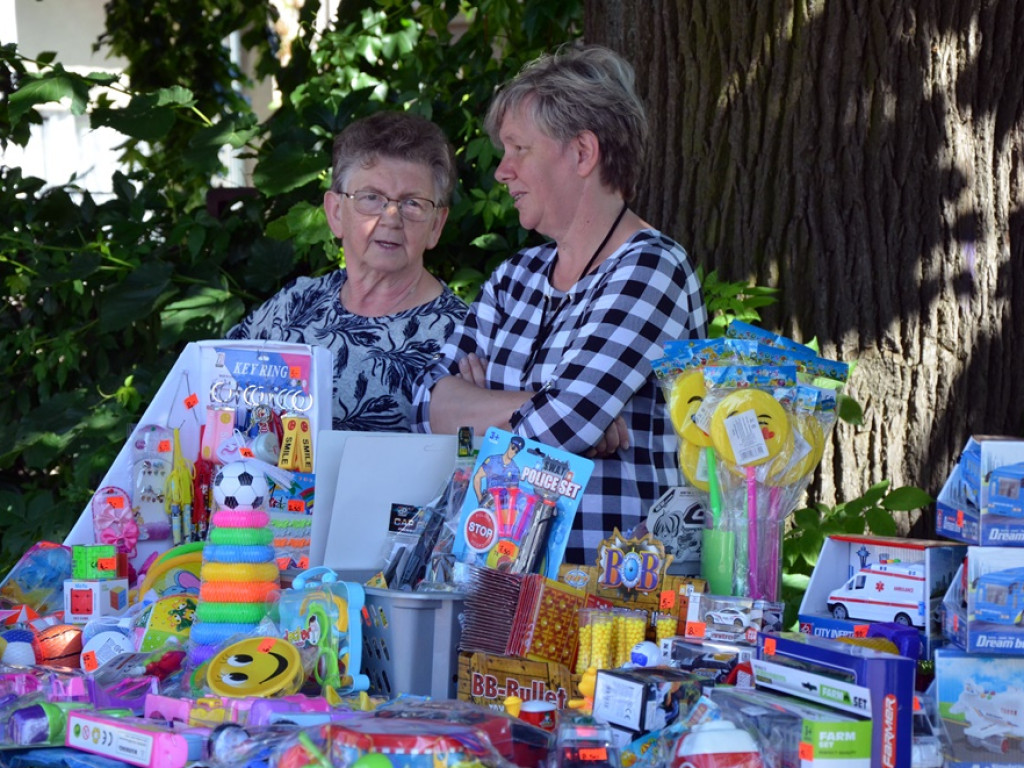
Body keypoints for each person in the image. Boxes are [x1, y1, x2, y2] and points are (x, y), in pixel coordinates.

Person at [412, 45, 708, 566]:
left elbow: (564, 426)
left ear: (582, 153)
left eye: (518, 149)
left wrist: (493, 407)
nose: (502, 172)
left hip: (611, 593)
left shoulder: (651, 267)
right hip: (497, 577)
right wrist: (547, 407)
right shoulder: (515, 277)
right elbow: (423, 405)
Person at [228, 111, 467, 432]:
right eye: (371, 197)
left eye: (413, 203)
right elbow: (216, 389)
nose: (392, 217)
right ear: (336, 212)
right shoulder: (293, 304)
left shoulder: (462, 340)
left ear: (436, 225)